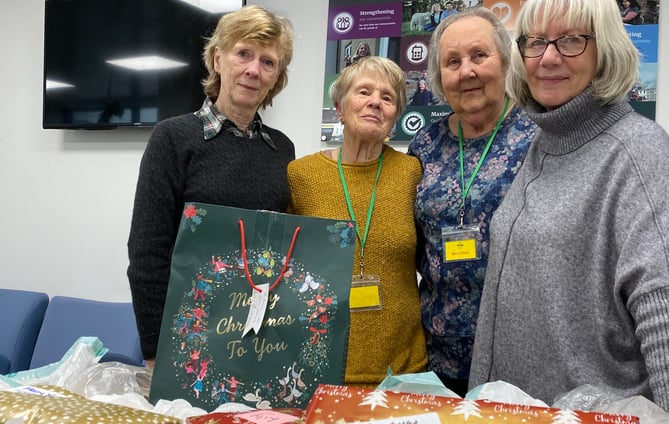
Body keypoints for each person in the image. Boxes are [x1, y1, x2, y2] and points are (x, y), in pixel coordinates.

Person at [469, 0, 669, 411]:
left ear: (606, 50)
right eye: (536, 42)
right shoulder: (544, 145)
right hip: (521, 423)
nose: (549, 58)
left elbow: (660, 304)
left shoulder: (637, 148)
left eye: (572, 40)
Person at [127, 5, 295, 368]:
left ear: (276, 76)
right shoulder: (173, 138)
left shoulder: (283, 149)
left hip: (260, 338)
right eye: (244, 54)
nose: (254, 69)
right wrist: (155, 350)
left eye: (268, 62)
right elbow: (147, 253)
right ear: (218, 60)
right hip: (186, 337)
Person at [407, 7, 537, 397]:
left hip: (519, 356)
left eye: (479, 56)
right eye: (452, 62)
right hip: (436, 356)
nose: (467, 72)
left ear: (505, 62)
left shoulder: (538, 138)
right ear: (439, 78)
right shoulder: (424, 146)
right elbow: (413, 242)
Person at [287, 56, 428, 387]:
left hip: (404, 368)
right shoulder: (301, 176)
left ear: (395, 115)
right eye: (363, 91)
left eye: (388, 97)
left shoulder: (411, 173)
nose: (375, 102)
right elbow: (288, 268)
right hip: (323, 365)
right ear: (339, 108)